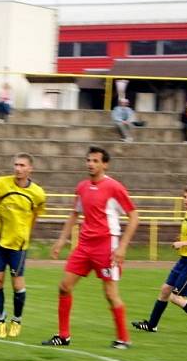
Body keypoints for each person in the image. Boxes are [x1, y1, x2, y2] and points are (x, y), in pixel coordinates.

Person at [42, 146, 140, 349]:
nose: (90, 164)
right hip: (84, 245)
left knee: (110, 294)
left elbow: (134, 217)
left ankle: (124, 338)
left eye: (95, 161)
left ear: (105, 164)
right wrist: (62, 240)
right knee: (64, 287)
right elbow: (74, 214)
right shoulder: (82, 187)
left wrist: (121, 247)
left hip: (106, 245)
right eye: (88, 160)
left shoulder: (114, 187)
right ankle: (63, 336)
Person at [132, 188, 187, 335]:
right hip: (185, 259)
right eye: (184, 197)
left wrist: (183, 244)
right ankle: (152, 325)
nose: (186, 200)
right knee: (165, 290)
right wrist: (182, 240)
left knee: (176, 297)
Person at [0, 152, 46, 338]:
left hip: (18, 245)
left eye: (22, 165)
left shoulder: (37, 193)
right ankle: (0, 318)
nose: (18, 168)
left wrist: (26, 234)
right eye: (16, 165)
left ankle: (17, 319)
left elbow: (35, 215)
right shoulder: (1, 183)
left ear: (30, 169)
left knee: (17, 283)